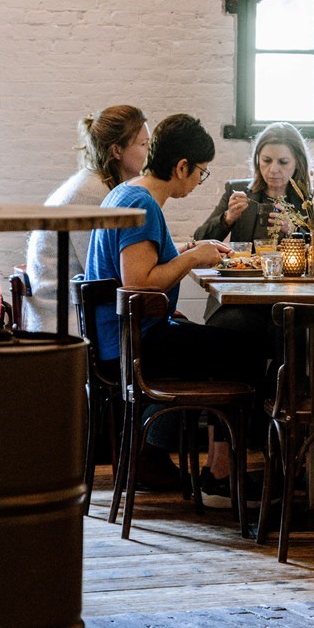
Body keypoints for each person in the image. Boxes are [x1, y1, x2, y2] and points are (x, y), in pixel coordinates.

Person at [86, 114, 265, 505]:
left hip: (123, 337)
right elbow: (138, 282)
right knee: (247, 348)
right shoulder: (141, 203)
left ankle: (200, 464)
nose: (198, 180)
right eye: (200, 172)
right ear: (181, 166)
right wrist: (193, 258)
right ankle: (220, 474)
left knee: (231, 340)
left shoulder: (127, 192)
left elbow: (141, 263)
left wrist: (187, 251)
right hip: (133, 344)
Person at [22, 105, 149, 332]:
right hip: (64, 319)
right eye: (143, 144)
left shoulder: (94, 183)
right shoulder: (94, 193)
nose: (149, 151)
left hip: (65, 309)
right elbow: (104, 272)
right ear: (117, 151)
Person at [193, 121, 314, 247]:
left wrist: (294, 230)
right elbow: (198, 241)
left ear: (298, 162)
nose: (273, 169)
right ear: (257, 160)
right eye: (266, 160)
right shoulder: (236, 191)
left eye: (283, 162)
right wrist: (227, 218)